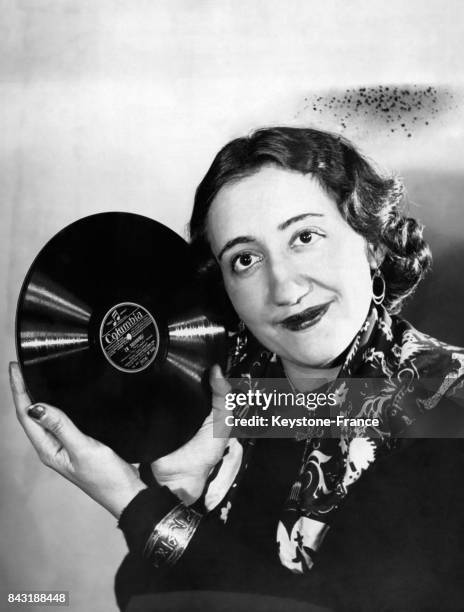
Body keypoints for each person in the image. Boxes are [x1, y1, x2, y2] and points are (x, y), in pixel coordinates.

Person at [10, 127, 464, 611]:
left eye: (304, 237)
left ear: (372, 243)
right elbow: (148, 595)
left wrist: (131, 499)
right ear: (222, 285)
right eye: (245, 259)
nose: (284, 288)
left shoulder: (447, 406)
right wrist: (181, 492)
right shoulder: (242, 398)